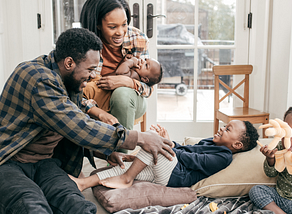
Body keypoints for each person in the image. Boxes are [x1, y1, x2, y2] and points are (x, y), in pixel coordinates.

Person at [0, 28, 174, 214]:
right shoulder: (38, 78)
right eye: (91, 69)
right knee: (30, 206)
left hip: (45, 162)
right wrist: (140, 138)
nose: (93, 76)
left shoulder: (66, 79)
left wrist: (105, 154)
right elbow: (78, 126)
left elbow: (75, 120)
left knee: (78, 205)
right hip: (9, 161)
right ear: (69, 63)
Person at [70, 120, 259, 191]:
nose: (221, 128)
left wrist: (166, 146)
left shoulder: (223, 157)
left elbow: (193, 159)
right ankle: (84, 183)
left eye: (228, 129)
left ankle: (126, 179)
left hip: (176, 176)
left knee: (151, 141)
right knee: (124, 167)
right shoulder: (211, 141)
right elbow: (188, 149)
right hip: (167, 172)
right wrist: (171, 143)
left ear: (237, 145)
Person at [80, 0, 153, 130]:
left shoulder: (137, 38)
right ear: (97, 24)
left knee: (121, 94)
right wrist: (93, 109)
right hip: (95, 100)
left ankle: (122, 148)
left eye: (124, 24)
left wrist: (126, 82)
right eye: (112, 27)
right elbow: (75, 90)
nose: (120, 32)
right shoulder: (82, 43)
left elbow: (149, 87)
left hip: (130, 100)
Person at [249, 105, 292, 214]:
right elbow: (270, 173)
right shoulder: (280, 148)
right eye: (286, 136)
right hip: (281, 198)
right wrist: (270, 158)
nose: (291, 142)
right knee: (256, 190)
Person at [83, 56, 163, 113]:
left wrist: (130, 62)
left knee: (88, 89)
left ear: (145, 79)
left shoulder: (135, 76)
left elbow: (120, 72)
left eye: (146, 65)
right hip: (103, 80)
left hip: (105, 92)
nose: (143, 61)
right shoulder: (135, 71)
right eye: (145, 59)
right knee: (94, 78)